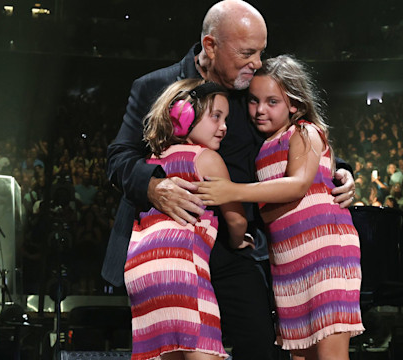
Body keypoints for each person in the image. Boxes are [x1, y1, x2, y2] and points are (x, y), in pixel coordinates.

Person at [103, 1, 356, 359]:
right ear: (210, 46)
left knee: (260, 346)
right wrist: (154, 186)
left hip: (232, 248)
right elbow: (119, 158)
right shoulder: (153, 86)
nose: (256, 63)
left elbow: (288, 136)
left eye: (260, 53)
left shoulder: (251, 93)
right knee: (170, 352)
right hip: (168, 248)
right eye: (247, 53)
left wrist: (337, 168)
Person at [195, 55, 364, 360]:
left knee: (330, 355)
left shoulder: (304, 132)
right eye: (254, 100)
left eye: (272, 101)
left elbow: (298, 184)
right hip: (287, 263)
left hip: (325, 255)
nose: (260, 110)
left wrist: (231, 191)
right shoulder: (265, 146)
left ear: (295, 105)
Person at [126, 79, 249, 360]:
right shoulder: (206, 158)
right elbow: (237, 220)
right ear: (183, 116)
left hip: (140, 273)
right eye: (216, 117)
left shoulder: (150, 162)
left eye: (226, 118)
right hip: (182, 270)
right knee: (203, 350)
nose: (224, 126)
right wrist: (239, 241)